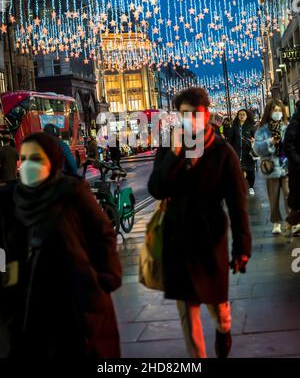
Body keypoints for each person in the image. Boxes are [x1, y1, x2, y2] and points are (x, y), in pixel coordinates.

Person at [148, 87, 251, 359]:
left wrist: (242, 246)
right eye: (184, 114)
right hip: (177, 236)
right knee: (187, 306)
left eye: (195, 113)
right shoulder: (171, 142)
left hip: (209, 236)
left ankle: (224, 326)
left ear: (206, 114)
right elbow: (156, 188)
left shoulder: (222, 151)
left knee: (216, 303)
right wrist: (175, 154)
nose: (190, 118)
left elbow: (237, 203)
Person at [0, 132, 122, 358]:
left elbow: (103, 234)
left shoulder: (71, 192)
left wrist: (103, 280)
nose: (28, 165)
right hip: (24, 302)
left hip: (72, 302)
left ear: (52, 161)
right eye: (24, 159)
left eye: (36, 159)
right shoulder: (9, 200)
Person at [253, 99, 289, 235]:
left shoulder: (286, 126)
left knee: (289, 194)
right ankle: (276, 222)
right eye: (275, 110)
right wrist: (270, 142)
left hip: (286, 166)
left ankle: (293, 221)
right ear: (269, 112)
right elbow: (256, 149)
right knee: (273, 197)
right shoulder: (262, 129)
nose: (278, 113)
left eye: (280, 111)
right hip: (271, 167)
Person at [230, 109, 256, 196]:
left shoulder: (251, 126)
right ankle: (240, 187)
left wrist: (253, 141)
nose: (241, 116)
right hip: (237, 153)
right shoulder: (234, 126)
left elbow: (255, 138)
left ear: (247, 116)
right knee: (239, 171)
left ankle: (251, 187)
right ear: (237, 116)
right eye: (240, 114)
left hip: (248, 153)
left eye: (243, 114)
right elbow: (230, 139)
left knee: (250, 171)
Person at [284, 100, 300, 235]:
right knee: (297, 200)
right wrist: (298, 161)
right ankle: (291, 222)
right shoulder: (295, 123)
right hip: (298, 169)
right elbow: (288, 145)